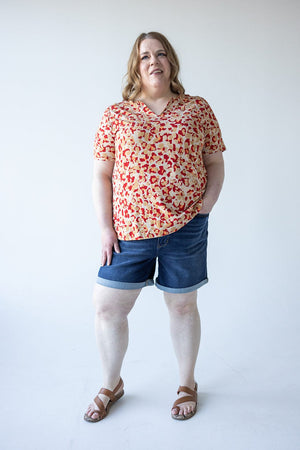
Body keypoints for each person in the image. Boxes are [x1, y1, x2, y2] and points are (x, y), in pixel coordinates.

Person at [84, 31, 226, 422]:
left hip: (186, 228)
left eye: (161, 54)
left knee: (182, 306)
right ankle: (111, 384)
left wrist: (205, 207)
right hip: (128, 231)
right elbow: (102, 175)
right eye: (145, 56)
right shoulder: (117, 114)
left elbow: (215, 162)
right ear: (136, 65)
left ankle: (186, 383)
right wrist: (105, 227)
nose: (154, 61)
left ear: (171, 62)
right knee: (107, 306)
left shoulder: (196, 109)